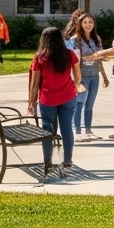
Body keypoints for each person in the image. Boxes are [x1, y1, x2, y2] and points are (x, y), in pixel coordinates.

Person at [28, 27, 80, 175]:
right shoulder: (69, 54)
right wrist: (75, 86)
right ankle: (68, 161)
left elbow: (35, 82)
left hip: (48, 99)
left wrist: (31, 102)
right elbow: (78, 75)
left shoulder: (39, 57)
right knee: (67, 128)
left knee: (48, 130)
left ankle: (48, 161)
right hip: (68, 97)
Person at [71, 12, 111, 142]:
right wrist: (94, 57)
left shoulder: (96, 39)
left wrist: (104, 76)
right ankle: (77, 131)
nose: (88, 25)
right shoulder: (75, 40)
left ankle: (88, 130)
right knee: (79, 103)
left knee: (90, 105)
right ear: (80, 24)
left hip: (94, 75)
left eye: (91, 22)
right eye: (85, 22)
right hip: (81, 75)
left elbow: (99, 58)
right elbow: (74, 60)